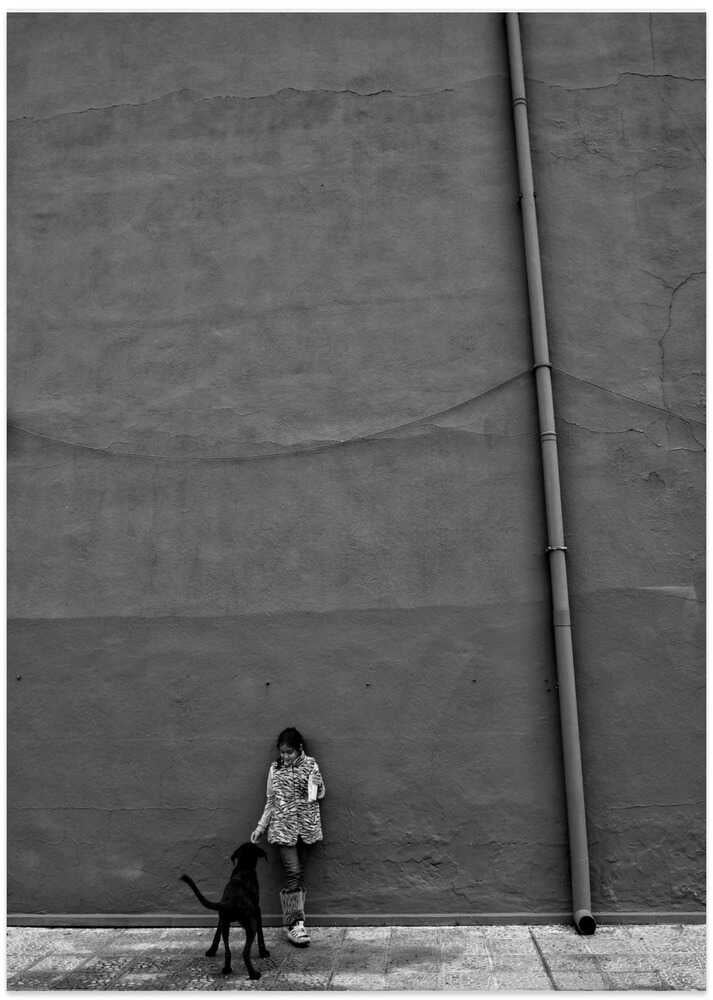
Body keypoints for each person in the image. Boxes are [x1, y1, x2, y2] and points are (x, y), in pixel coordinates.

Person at [251, 726, 325, 947]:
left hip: (306, 828)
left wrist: (317, 784)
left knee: (297, 874)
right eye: (282, 752)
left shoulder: (311, 765)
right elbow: (271, 801)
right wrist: (260, 827)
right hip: (283, 828)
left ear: (299, 748)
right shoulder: (275, 769)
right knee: (293, 872)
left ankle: (294, 922)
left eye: (289, 752)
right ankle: (294, 924)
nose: (285, 756)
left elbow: (319, 794)